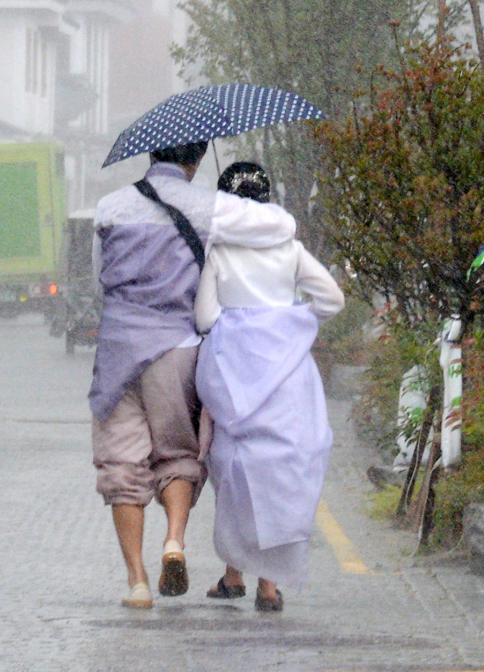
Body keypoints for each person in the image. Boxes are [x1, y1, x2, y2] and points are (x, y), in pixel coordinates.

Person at [91, 143, 298, 610]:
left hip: (119, 351)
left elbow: (97, 277)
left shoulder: (109, 208)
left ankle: (138, 581)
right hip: (178, 349)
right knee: (178, 457)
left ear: (149, 151)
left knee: (122, 464)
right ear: (199, 156)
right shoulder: (210, 210)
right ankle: (175, 542)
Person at [195, 162, 344, 612]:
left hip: (235, 376)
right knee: (281, 472)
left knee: (235, 468)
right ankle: (268, 584)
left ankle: (233, 574)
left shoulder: (218, 252)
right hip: (287, 376)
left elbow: (204, 318)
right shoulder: (291, 248)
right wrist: (289, 321)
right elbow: (332, 300)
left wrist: (239, 324)